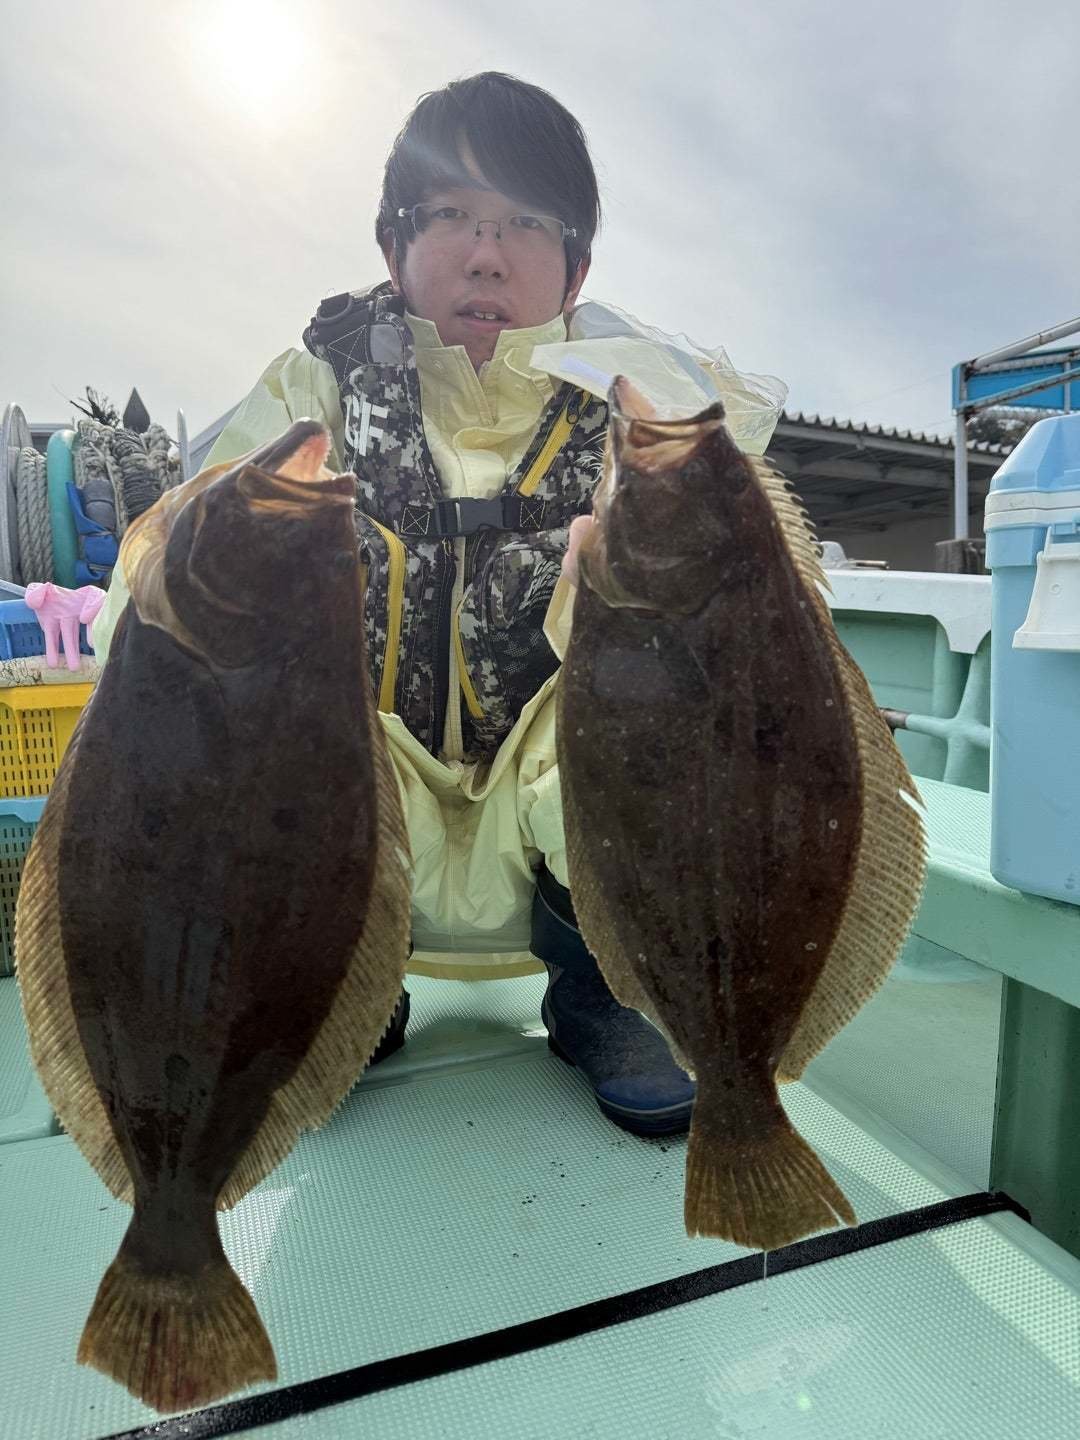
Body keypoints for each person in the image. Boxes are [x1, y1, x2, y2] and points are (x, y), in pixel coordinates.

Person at [94, 72, 785, 1138]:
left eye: (526, 223)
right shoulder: (311, 392)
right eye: (452, 214)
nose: (486, 254)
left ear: (577, 266)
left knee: (684, 674)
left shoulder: (645, 407)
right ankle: (342, 990)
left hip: (572, 828)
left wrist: (635, 593)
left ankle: (610, 991)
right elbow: (151, 609)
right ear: (394, 244)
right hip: (359, 816)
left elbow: (765, 624)